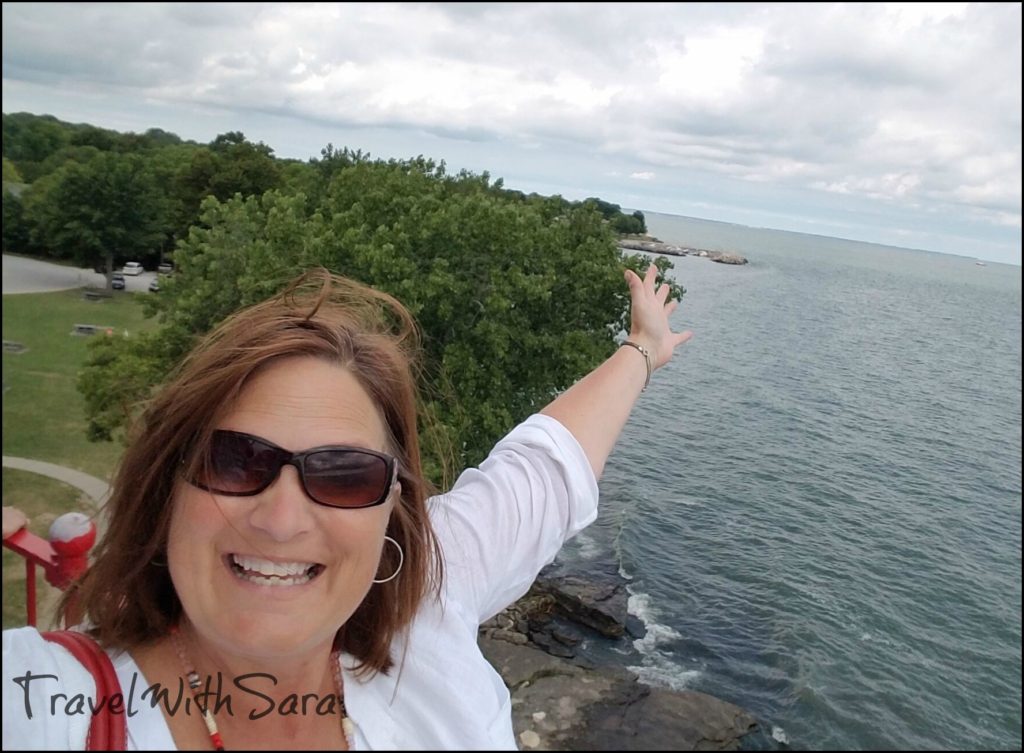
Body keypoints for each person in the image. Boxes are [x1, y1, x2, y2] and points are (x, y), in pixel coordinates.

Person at [2, 264, 692, 750]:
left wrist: (642, 348)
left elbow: (543, 466)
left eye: (343, 474)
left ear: (393, 506)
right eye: (234, 460)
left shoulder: (425, 597)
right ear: (168, 484)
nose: (281, 517)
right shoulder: (45, 704)